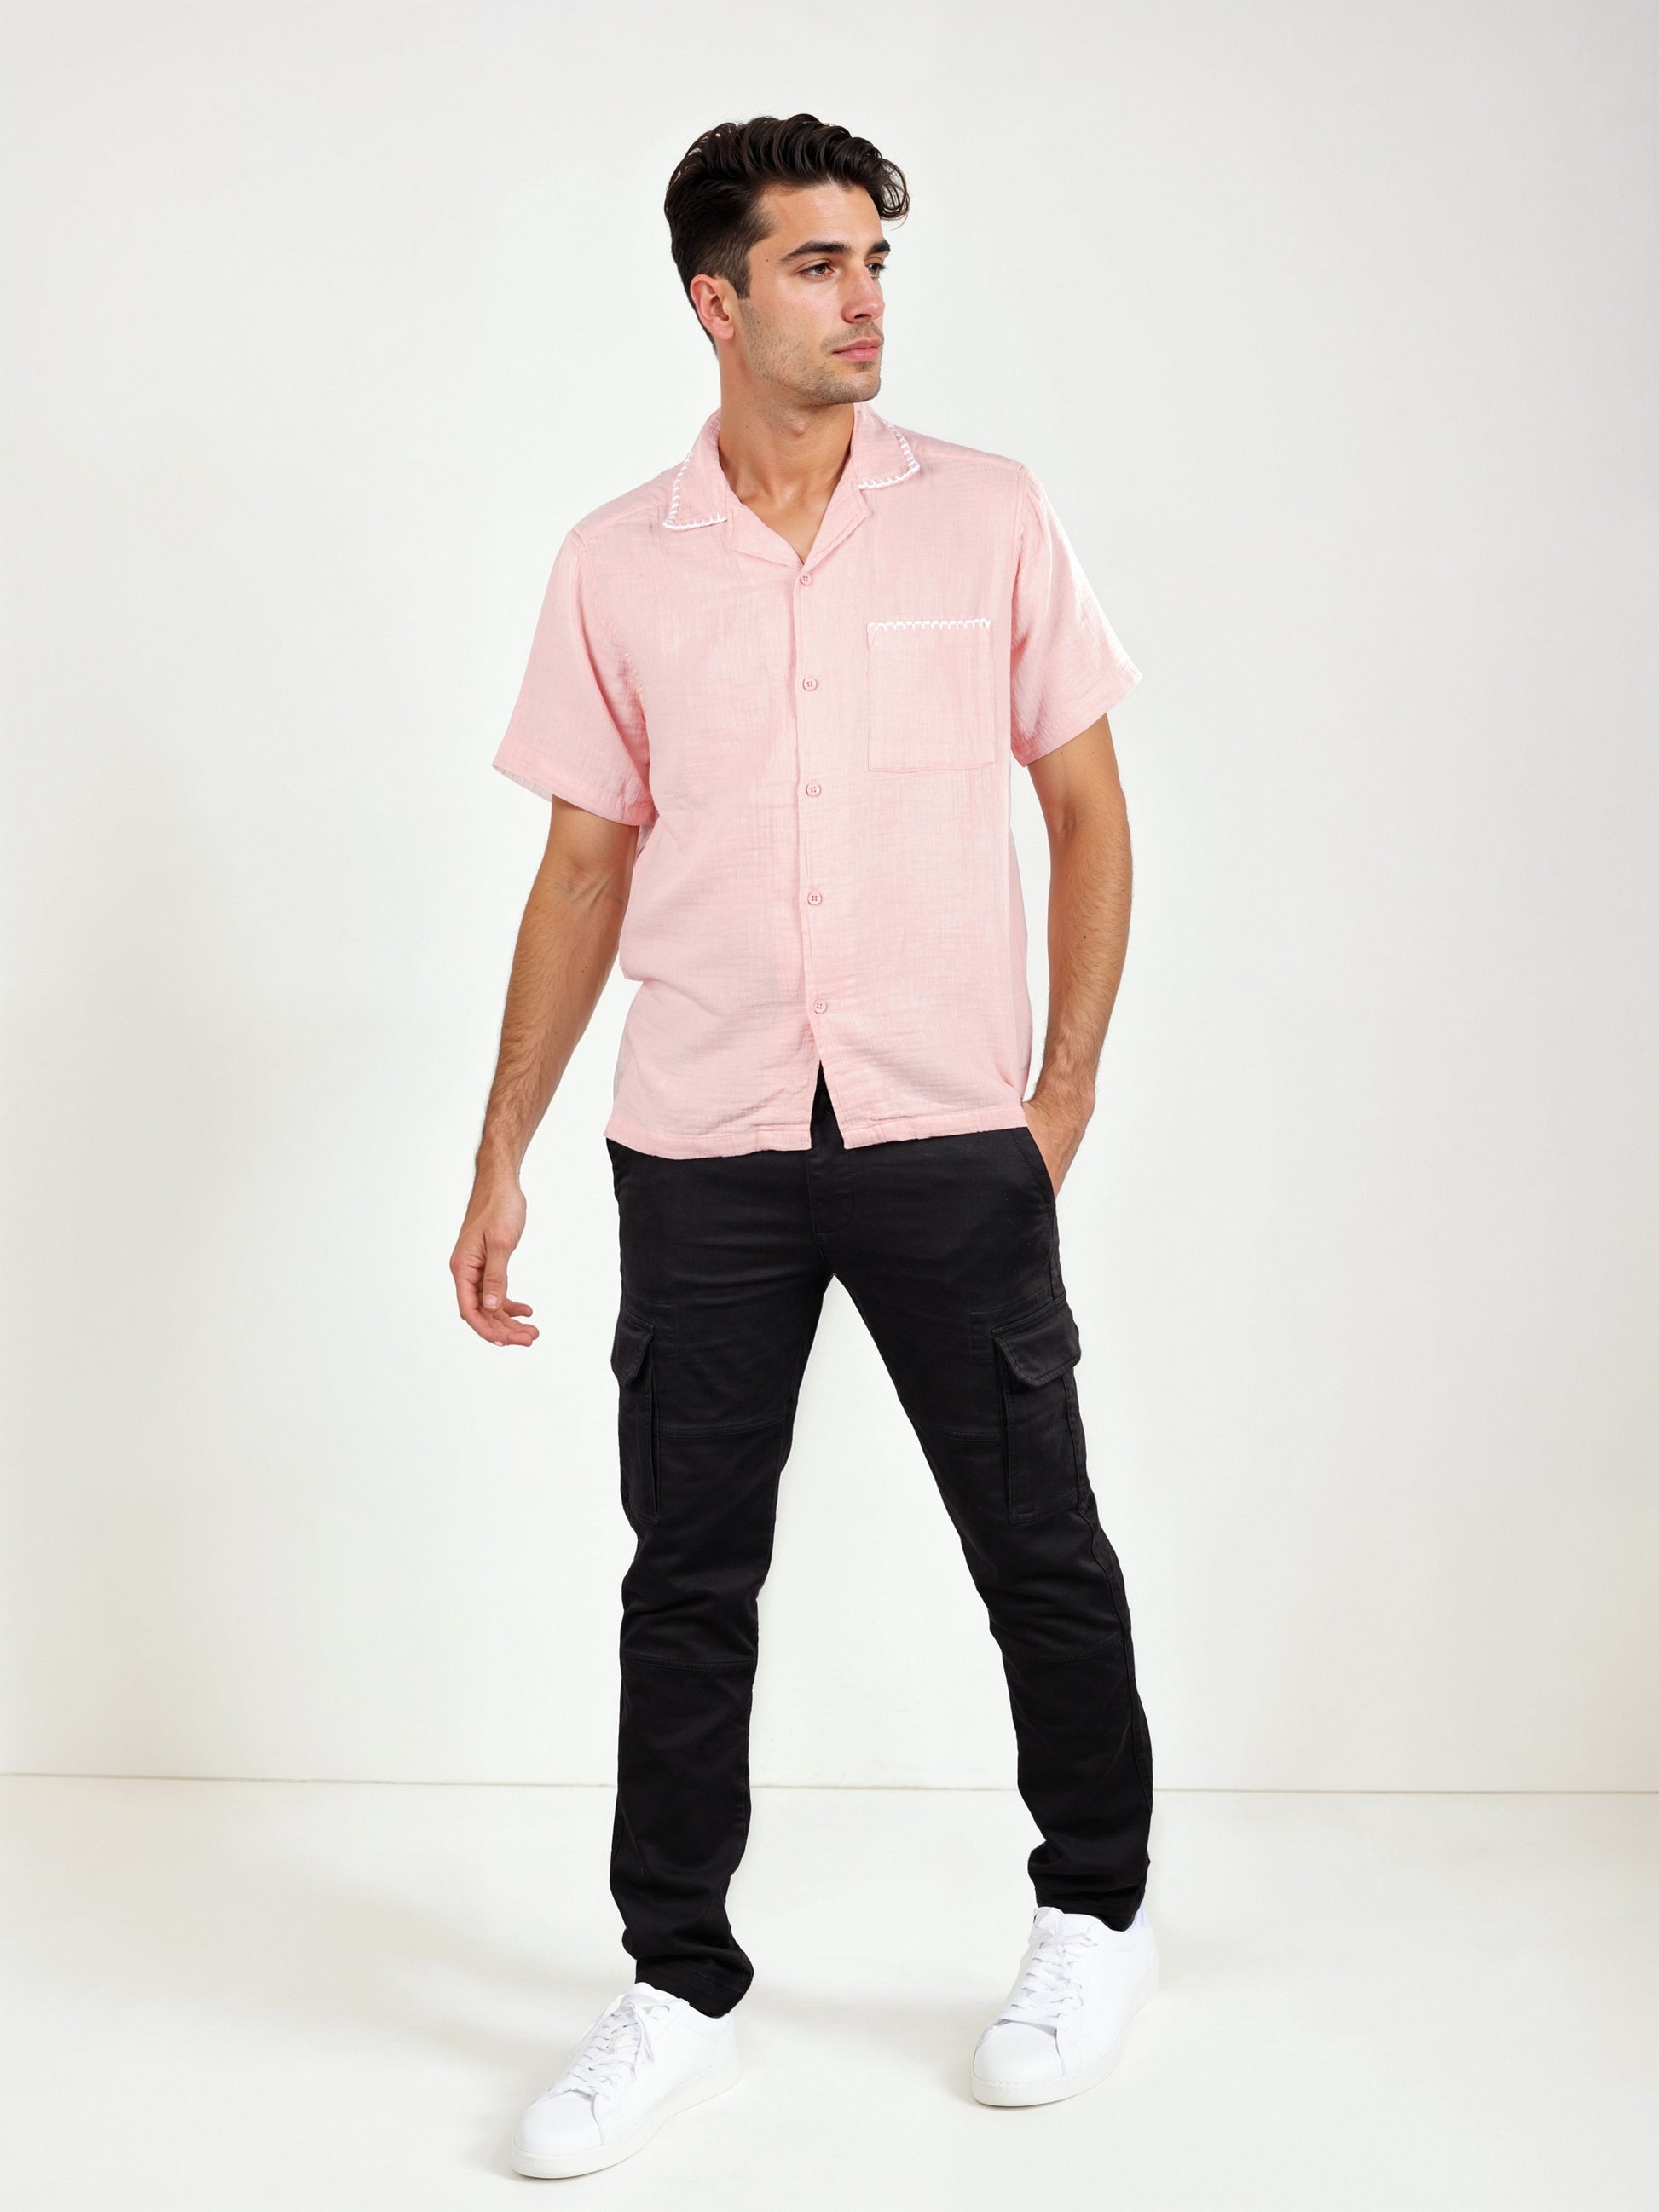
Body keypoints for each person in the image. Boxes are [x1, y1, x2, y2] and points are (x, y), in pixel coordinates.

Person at [449, 112, 1158, 2182]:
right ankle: (675, 1986)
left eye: (875, 262)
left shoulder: (989, 517)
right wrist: (499, 1150)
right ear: (716, 298)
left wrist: (1059, 1095)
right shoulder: (617, 561)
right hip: (701, 1143)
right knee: (686, 1577)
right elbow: (582, 867)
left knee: (1038, 1542)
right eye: (818, 264)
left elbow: (1088, 810)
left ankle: (1092, 1913)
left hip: (951, 1131)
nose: (864, 301)